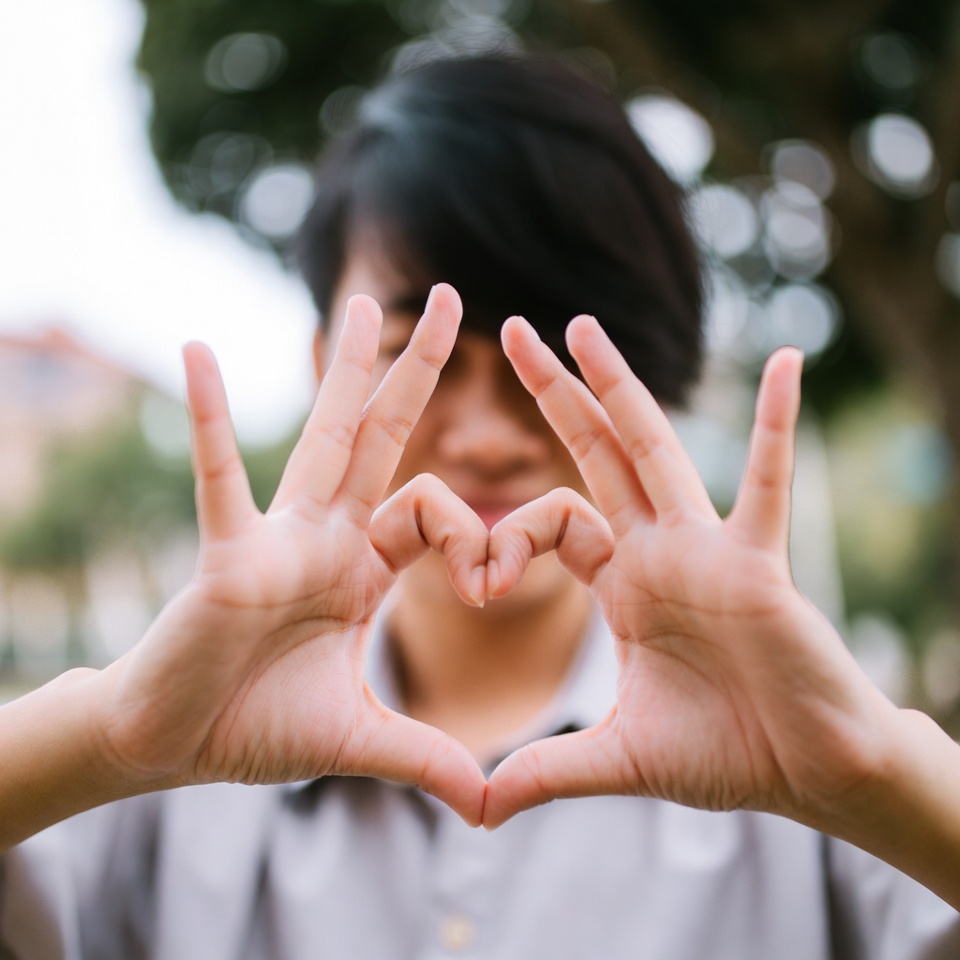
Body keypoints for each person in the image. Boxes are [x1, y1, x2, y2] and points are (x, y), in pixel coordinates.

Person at [1, 53, 959, 959]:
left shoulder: (806, 773)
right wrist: (112, 734)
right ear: (325, 364)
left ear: (656, 376)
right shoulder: (165, 765)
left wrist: (871, 771)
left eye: (555, 359)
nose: (491, 439)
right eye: (423, 354)